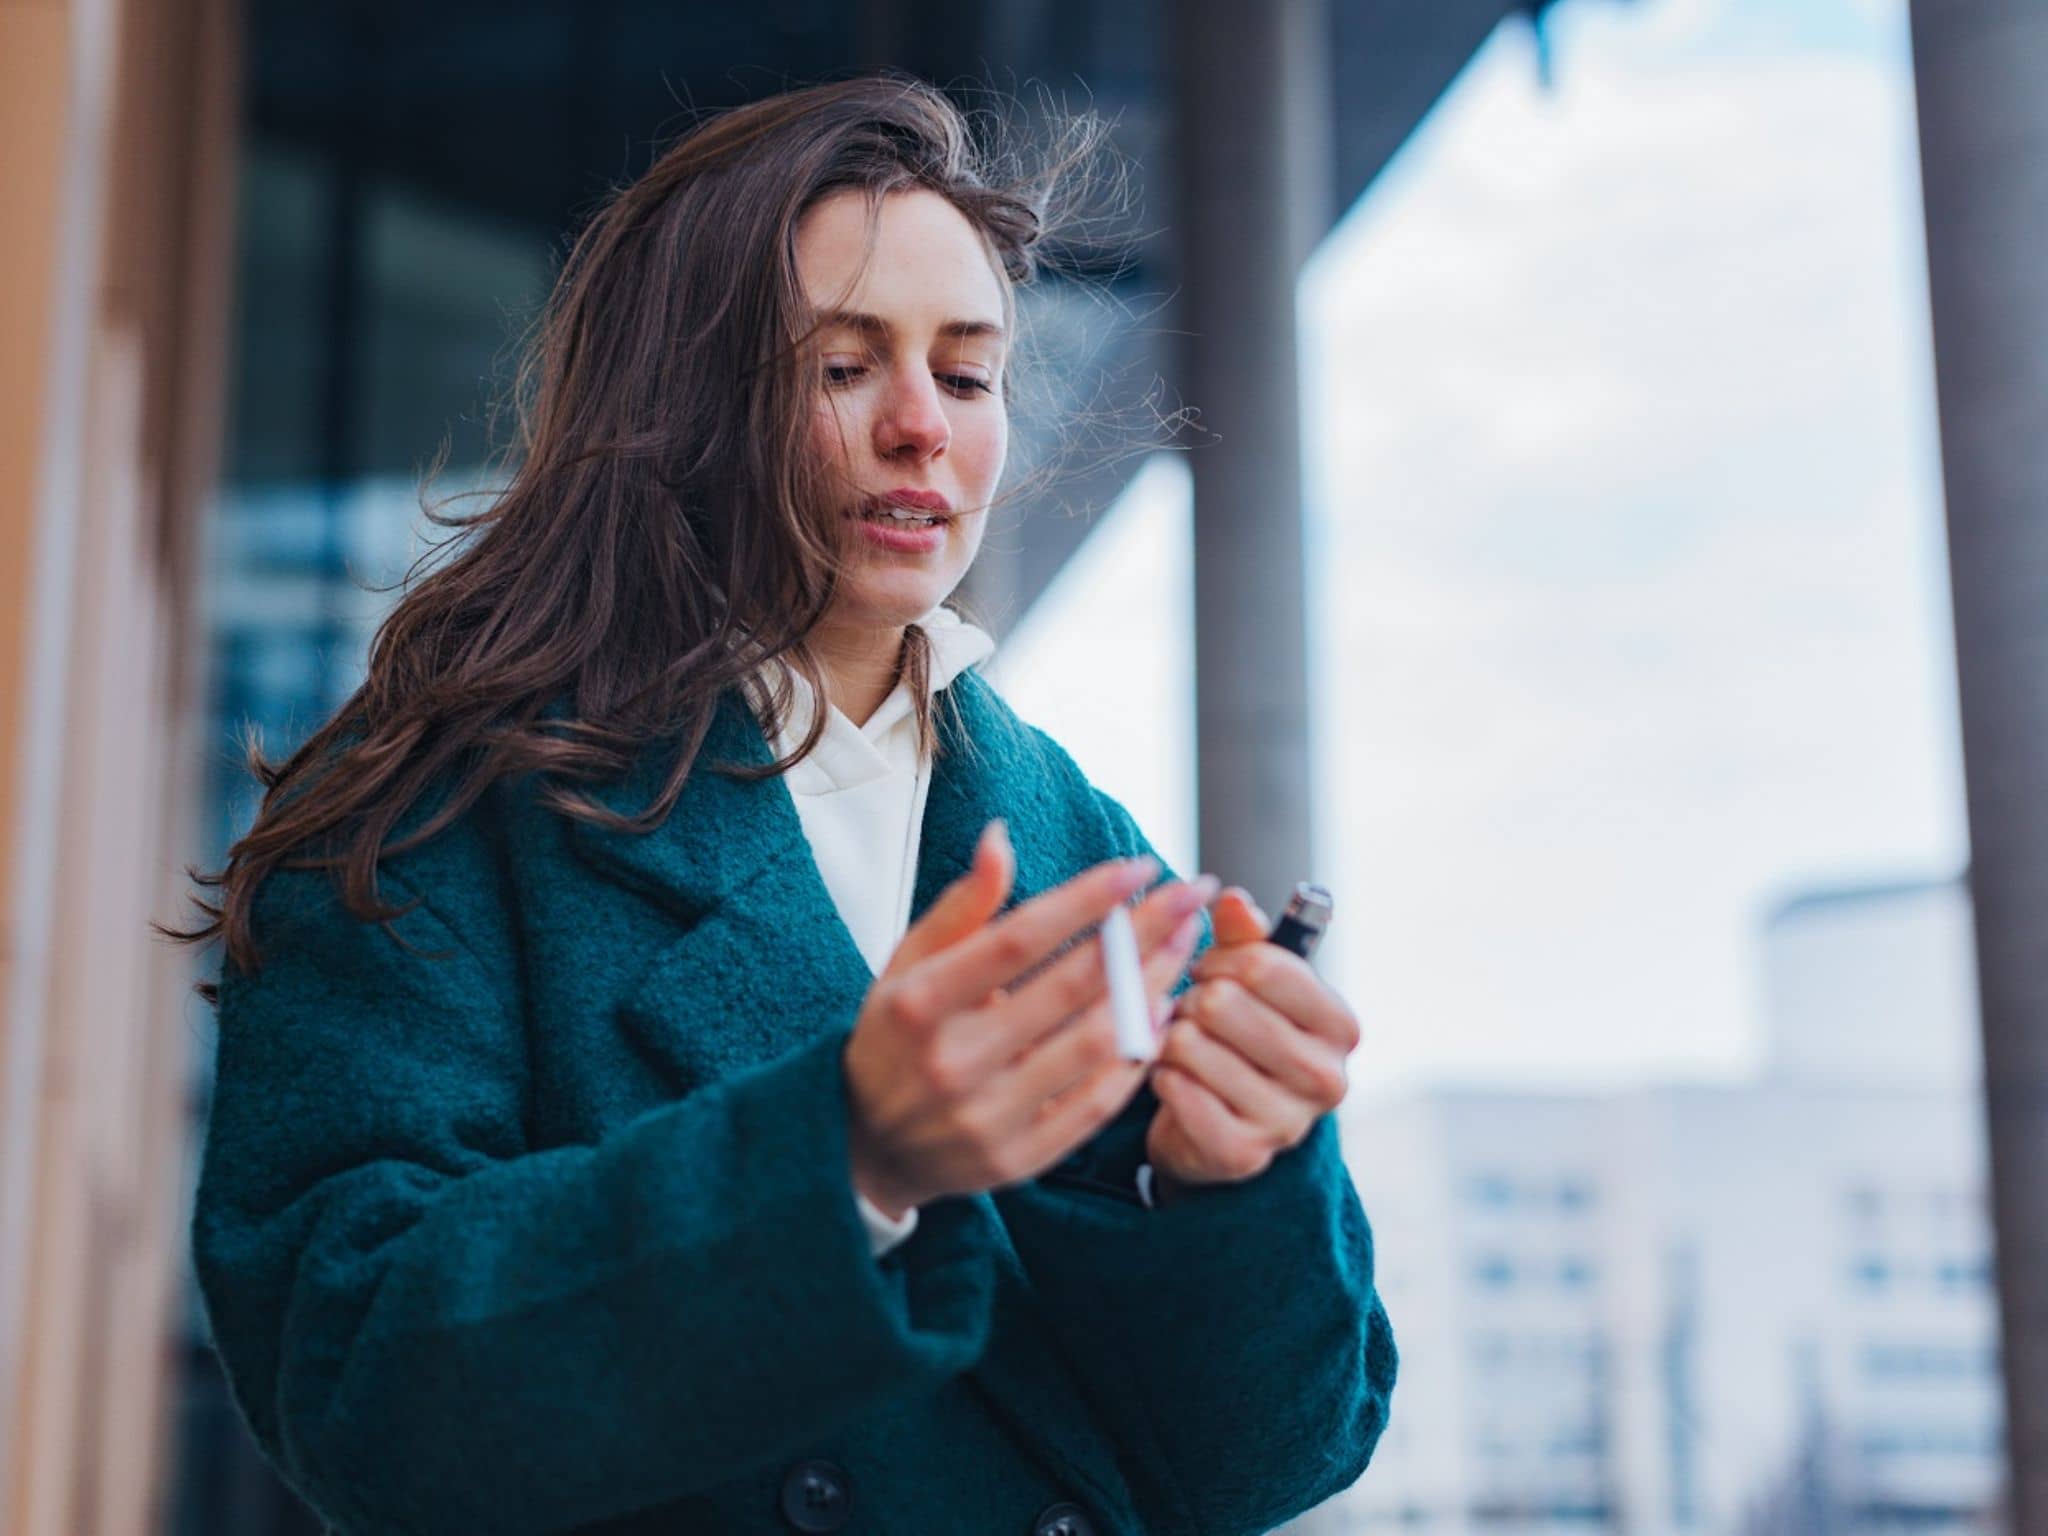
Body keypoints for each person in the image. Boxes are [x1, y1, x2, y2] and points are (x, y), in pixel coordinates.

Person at [169, 75, 1397, 1536]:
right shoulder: (437, 806)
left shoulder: (1085, 844)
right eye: (841, 366)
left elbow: (1270, 1464)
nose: (920, 430)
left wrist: (1230, 1184)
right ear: (680, 396)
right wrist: (849, 1154)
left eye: (967, 370)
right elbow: (349, 1373)